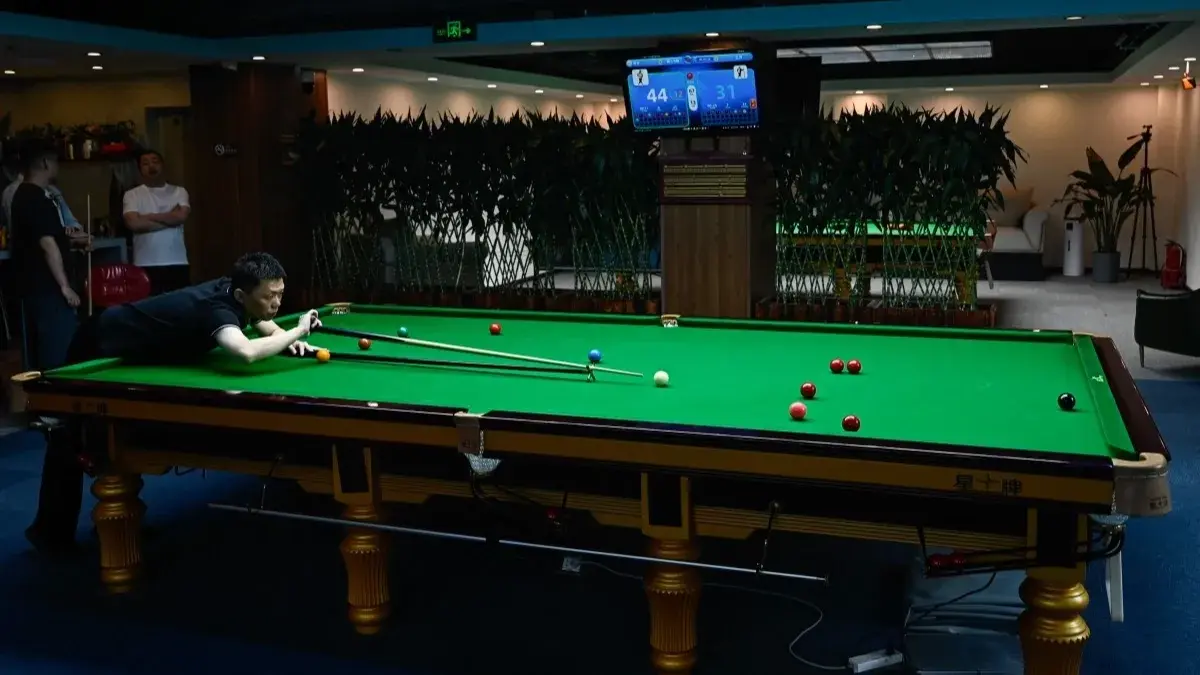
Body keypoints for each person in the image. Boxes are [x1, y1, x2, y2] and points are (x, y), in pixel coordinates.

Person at [25, 252, 324, 556]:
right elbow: (245, 352)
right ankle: (50, 535)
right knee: (72, 440)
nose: (276, 303)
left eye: (280, 294)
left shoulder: (239, 289)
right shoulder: (218, 308)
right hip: (99, 344)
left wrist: (288, 339)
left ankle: (114, 522)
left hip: (132, 347)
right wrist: (298, 330)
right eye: (269, 296)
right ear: (241, 294)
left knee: (92, 441)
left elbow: (263, 322)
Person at [8, 144, 91, 373]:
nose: (57, 166)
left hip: (37, 287)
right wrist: (64, 286)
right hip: (47, 288)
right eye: (55, 161)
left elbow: (44, 238)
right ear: (45, 163)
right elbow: (47, 245)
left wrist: (72, 242)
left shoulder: (26, 195)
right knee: (57, 352)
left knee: (48, 350)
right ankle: (54, 393)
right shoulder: (34, 197)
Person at [122, 150, 191, 295]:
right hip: (144, 262)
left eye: (155, 162)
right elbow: (134, 224)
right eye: (145, 164)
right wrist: (171, 218)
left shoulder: (179, 191)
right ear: (140, 169)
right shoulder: (132, 195)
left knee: (179, 305)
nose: (151, 166)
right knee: (148, 305)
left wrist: (148, 217)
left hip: (177, 261)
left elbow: (181, 217)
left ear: (163, 165)